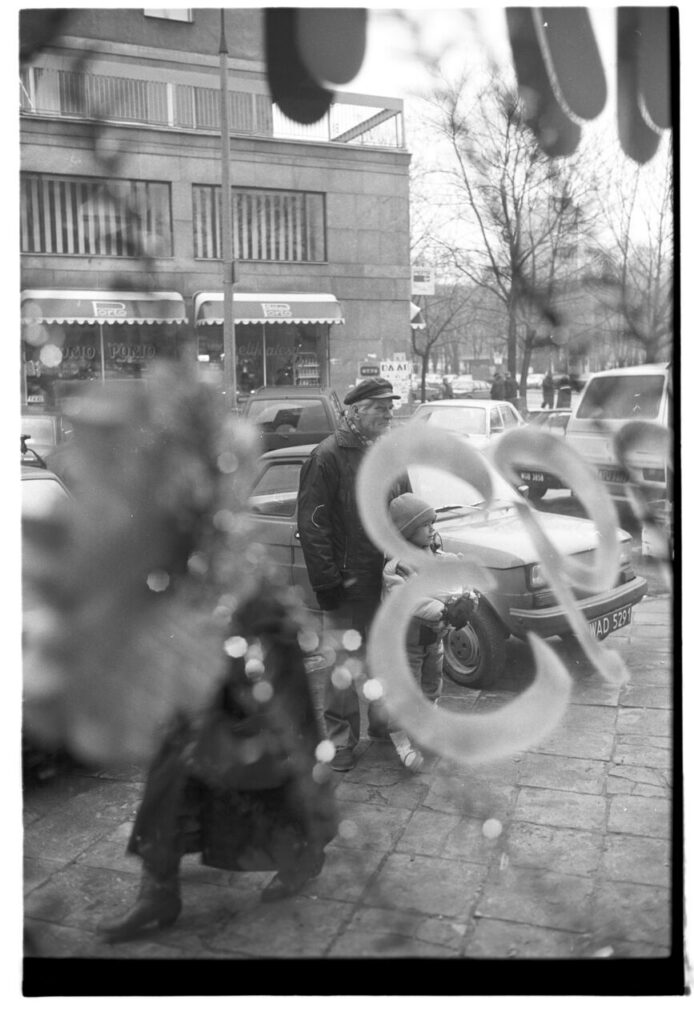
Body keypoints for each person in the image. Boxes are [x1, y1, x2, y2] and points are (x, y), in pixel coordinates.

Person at [96, 588, 337, 943]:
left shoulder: (231, 562)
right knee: (173, 776)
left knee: (273, 776)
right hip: (201, 657)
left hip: (256, 655)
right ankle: (158, 891)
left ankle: (303, 855)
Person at [297, 377, 410, 772]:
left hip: (385, 579)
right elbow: (313, 527)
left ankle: (383, 725)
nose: (388, 413)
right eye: (380, 407)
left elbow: (408, 511)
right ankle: (341, 740)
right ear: (355, 411)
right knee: (343, 665)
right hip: (346, 582)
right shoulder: (327, 456)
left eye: (390, 406)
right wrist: (326, 583)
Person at [382, 494, 480, 772]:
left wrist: (467, 594)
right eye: (425, 524)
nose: (431, 528)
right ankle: (402, 743)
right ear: (406, 531)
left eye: (432, 523)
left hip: (433, 639)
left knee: (431, 685)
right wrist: (443, 610)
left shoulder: (435, 555)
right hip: (407, 643)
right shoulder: (397, 565)